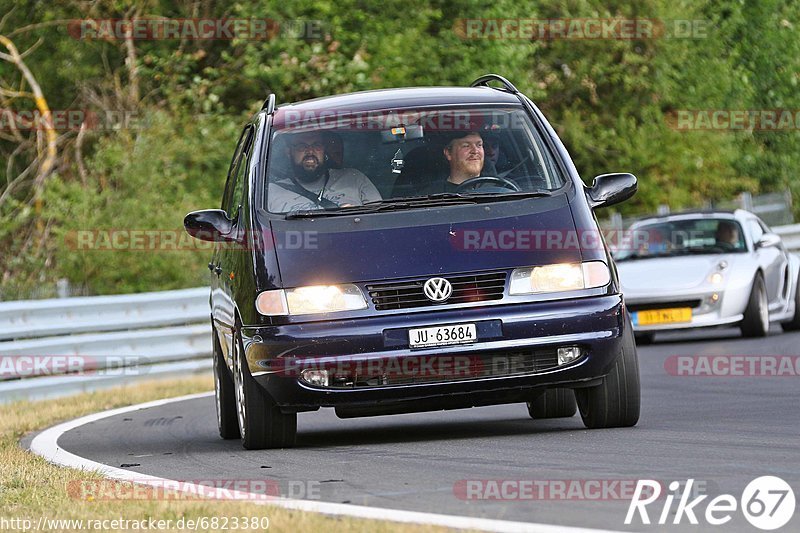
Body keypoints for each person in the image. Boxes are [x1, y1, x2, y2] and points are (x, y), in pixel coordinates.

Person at [268, 131, 381, 213]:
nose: (310, 151)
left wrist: (356, 215)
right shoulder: (271, 192)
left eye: (316, 145)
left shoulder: (354, 178)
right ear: (289, 152)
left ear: (324, 149)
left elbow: (380, 219)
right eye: (302, 146)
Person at [418, 131, 485, 194]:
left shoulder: (494, 189)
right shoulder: (430, 197)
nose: (475, 151)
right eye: (466, 146)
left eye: (479, 145)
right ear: (448, 153)